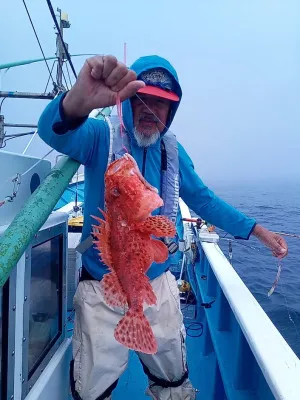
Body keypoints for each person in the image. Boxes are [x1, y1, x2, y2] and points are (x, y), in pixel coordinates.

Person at [38, 54, 288, 400]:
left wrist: (256, 229)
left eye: (162, 103)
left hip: (156, 282)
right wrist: (76, 104)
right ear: (125, 101)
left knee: (173, 377)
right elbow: (53, 132)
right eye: (141, 100)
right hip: (103, 284)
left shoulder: (173, 152)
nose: (150, 109)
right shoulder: (99, 136)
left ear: (172, 112)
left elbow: (204, 199)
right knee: (91, 386)